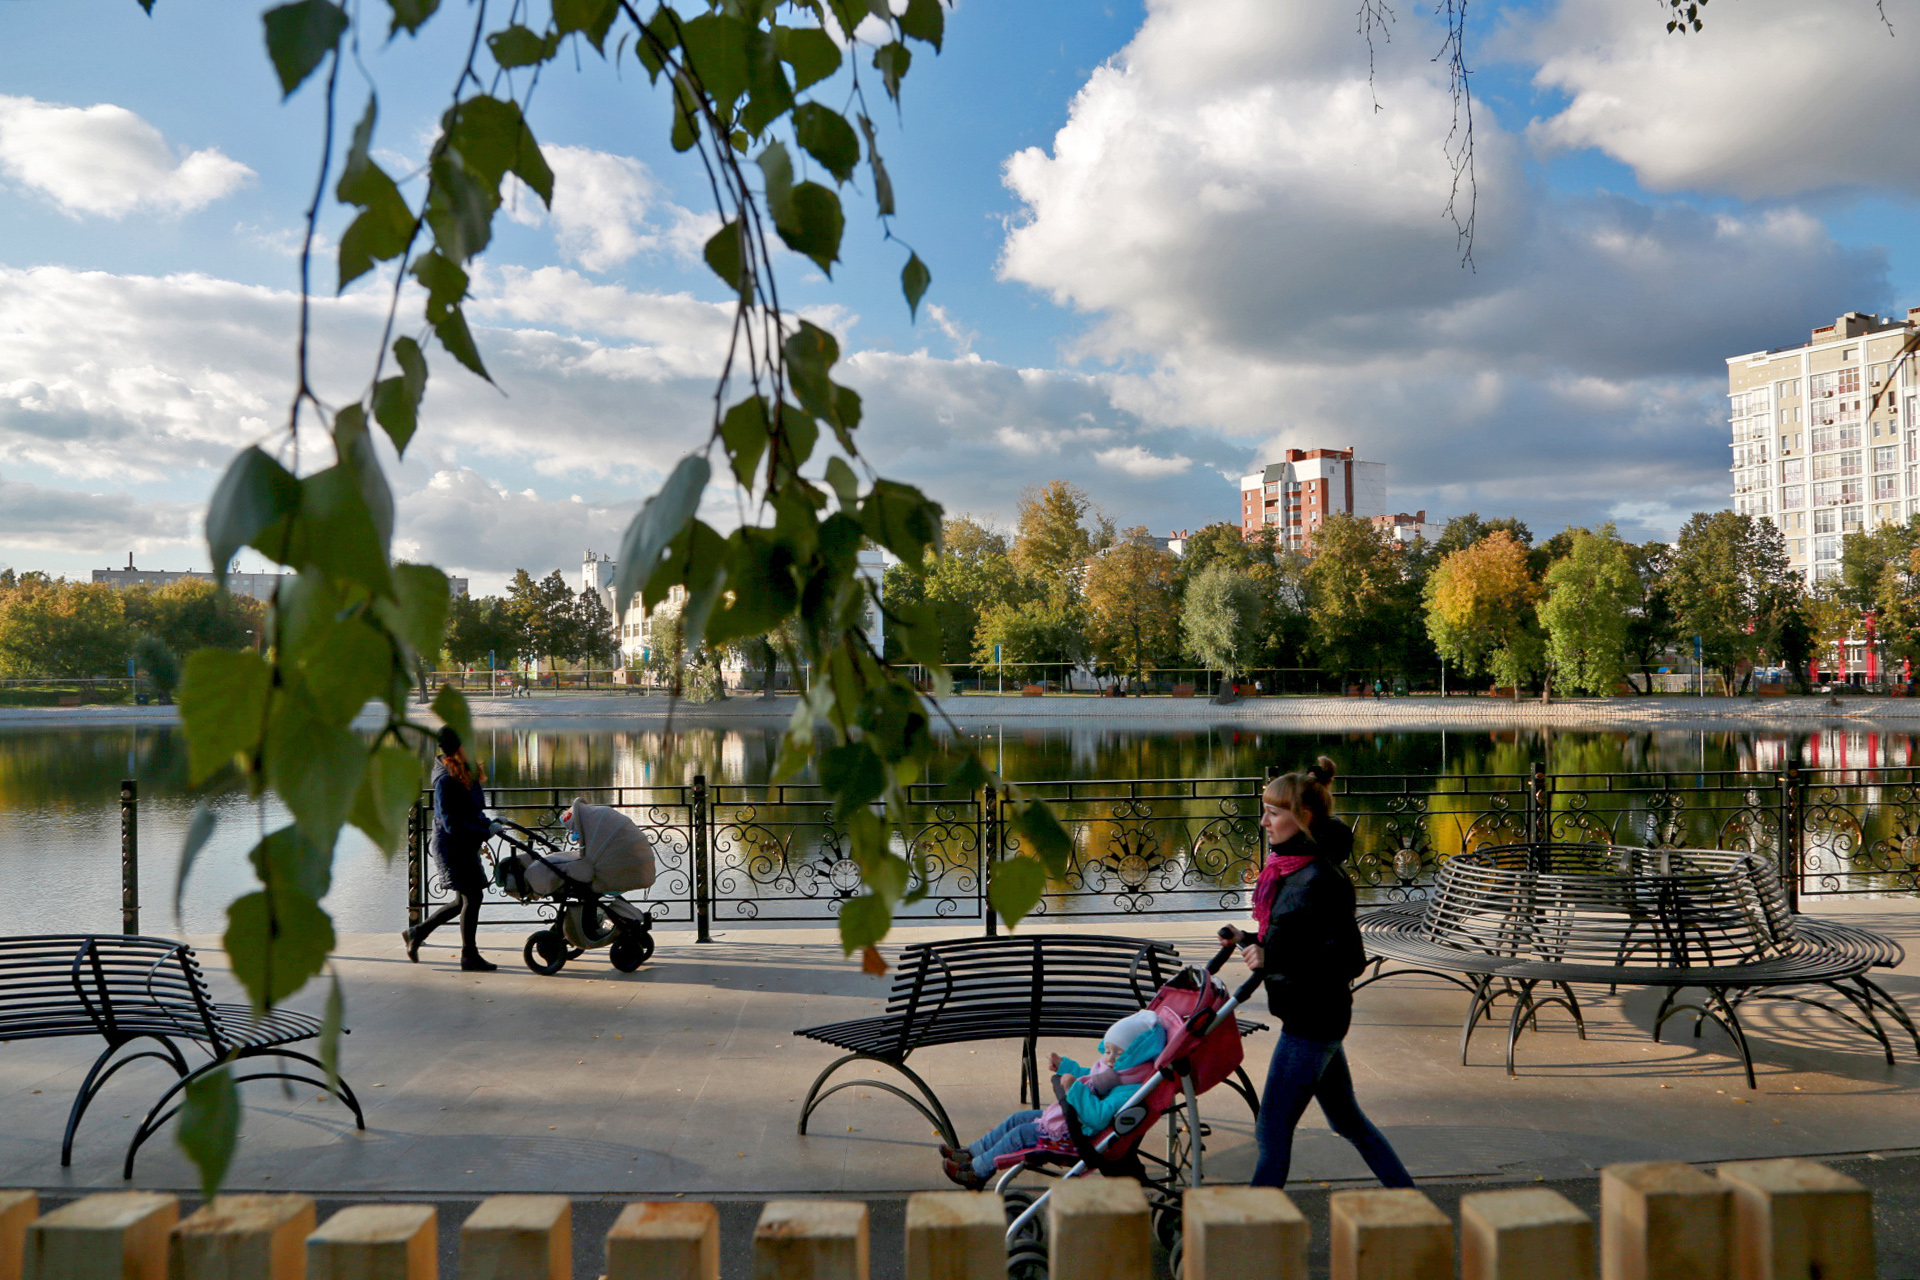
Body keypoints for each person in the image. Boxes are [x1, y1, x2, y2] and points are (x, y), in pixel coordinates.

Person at [1225, 770, 1411, 1190]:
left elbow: (1347, 959)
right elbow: (1297, 939)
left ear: (1303, 816)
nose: (1264, 822)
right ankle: (1409, 1198)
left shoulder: (1320, 878)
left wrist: (1271, 957)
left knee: (1271, 1133)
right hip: (1314, 1017)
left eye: (1273, 813)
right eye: (1264, 813)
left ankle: (1251, 1231)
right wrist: (1249, 940)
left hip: (1313, 1021)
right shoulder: (1292, 871)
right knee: (1349, 1123)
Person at [938, 1009, 1165, 1190]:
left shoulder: (1130, 1087)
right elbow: (1089, 1077)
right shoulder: (1118, 1072)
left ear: (1137, 1055)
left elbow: (1098, 1117)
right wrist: (1065, 1066)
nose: (1109, 1059)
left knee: (1021, 1135)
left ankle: (976, 1172)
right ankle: (972, 1152)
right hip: (1071, 1123)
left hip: (1081, 1138)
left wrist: (1073, 1089)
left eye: (1119, 1053)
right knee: (1019, 1118)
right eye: (1107, 1051)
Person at [401, 725, 498, 971]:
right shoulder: (444, 779)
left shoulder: (464, 770)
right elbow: (451, 824)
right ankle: (469, 956)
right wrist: (486, 832)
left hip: (464, 845)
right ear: (459, 747)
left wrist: (490, 823)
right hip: (452, 848)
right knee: (473, 896)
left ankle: (416, 932)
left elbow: (474, 811)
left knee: (462, 900)